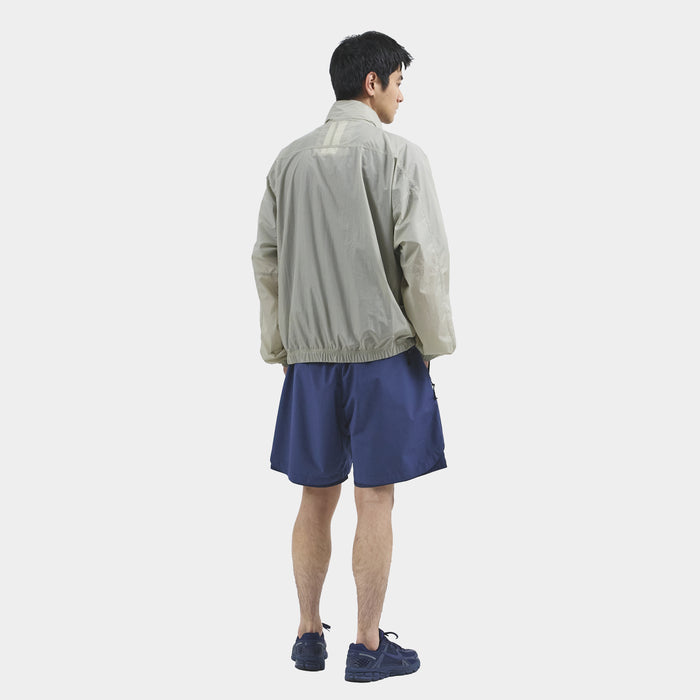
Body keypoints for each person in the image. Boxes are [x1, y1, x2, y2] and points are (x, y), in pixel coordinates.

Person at [252, 30, 456, 683]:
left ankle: (308, 635)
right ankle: (367, 647)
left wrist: (281, 346)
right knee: (376, 498)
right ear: (372, 83)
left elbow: (266, 261)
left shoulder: (288, 161)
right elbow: (423, 261)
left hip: (310, 361)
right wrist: (434, 343)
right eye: (399, 82)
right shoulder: (401, 157)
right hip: (383, 354)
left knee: (315, 497)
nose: (402, 95)